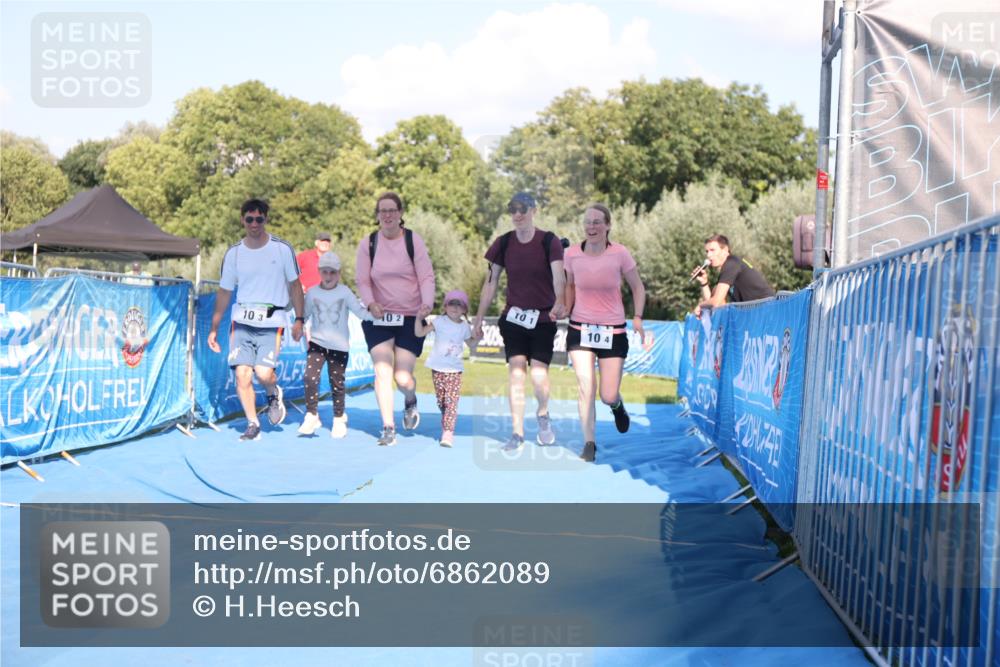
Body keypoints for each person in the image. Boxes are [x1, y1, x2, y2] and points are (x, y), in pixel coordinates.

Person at [472, 191, 566, 452]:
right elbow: (490, 283)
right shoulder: (503, 243)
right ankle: (517, 432)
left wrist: (560, 301)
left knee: (537, 375)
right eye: (513, 209)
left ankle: (543, 414)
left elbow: (560, 276)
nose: (518, 214)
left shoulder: (550, 241)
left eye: (523, 208)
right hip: (513, 318)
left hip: (544, 319)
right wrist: (478, 319)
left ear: (533, 210)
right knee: (515, 374)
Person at [207, 198, 305, 441]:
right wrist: (214, 327)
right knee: (242, 374)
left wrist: (299, 319)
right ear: (242, 220)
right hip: (241, 321)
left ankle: (273, 393)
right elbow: (224, 291)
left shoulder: (282, 249)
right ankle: (252, 423)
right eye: (249, 219)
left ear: (266, 220)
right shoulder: (234, 253)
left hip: (272, 323)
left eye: (259, 219)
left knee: (263, 374)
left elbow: (295, 285)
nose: (254, 224)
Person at [564, 203, 652, 462]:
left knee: (607, 394)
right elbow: (569, 286)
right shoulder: (571, 254)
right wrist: (564, 309)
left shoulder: (620, 254)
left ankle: (617, 406)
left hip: (613, 330)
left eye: (597, 222)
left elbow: (637, 287)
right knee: (585, 387)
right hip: (580, 328)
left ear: (607, 226)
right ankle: (589, 443)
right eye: (588, 222)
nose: (591, 227)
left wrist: (637, 316)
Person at [355, 192, 435, 447]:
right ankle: (388, 427)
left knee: (402, 378)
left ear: (400, 213)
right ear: (377, 215)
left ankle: (410, 398)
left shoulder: (413, 240)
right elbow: (363, 280)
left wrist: (427, 303)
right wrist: (370, 303)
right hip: (377, 317)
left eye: (392, 210)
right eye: (382, 211)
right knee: (382, 369)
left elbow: (426, 277)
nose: (387, 215)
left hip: (410, 316)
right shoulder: (368, 243)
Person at [298, 251, 372, 438]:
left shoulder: (345, 292)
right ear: (319, 272)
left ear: (338, 274)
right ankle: (311, 415)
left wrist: (378, 314)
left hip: (339, 346)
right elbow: (305, 315)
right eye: (325, 272)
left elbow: (361, 313)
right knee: (309, 377)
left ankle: (339, 418)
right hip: (317, 343)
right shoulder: (313, 293)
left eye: (333, 272)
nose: (329, 276)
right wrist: (297, 324)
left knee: (337, 383)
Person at [414, 290, 479, 448]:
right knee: (442, 401)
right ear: (445, 306)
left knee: (451, 401)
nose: (455, 308)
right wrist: (418, 318)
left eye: (460, 305)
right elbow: (419, 332)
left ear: (464, 310)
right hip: (437, 368)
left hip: (454, 370)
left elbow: (471, 344)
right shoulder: (439, 321)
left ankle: (448, 432)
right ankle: (446, 418)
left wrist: (478, 336)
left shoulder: (464, 327)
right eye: (452, 303)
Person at [692, 234, 775, 316]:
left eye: (712, 250)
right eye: (707, 251)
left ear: (725, 250)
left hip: (767, 313)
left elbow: (716, 302)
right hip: (757, 314)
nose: (708, 255)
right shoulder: (729, 267)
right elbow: (713, 304)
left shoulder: (731, 264)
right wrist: (704, 283)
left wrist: (700, 305)